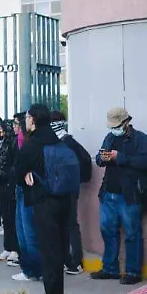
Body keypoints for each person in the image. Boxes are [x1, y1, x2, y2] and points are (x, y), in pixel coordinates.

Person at [18, 104, 80, 294]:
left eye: (27, 117)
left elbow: (17, 170)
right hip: (65, 199)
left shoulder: (32, 143)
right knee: (60, 247)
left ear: (33, 119)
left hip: (44, 202)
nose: (25, 121)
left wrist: (24, 173)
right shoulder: (57, 139)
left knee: (48, 250)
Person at [95, 107, 147, 285]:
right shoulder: (110, 137)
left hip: (129, 195)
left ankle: (133, 272)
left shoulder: (141, 139)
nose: (114, 129)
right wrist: (102, 158)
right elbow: (99, 159)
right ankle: (109, 269)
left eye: (117, 125)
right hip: (109, 193)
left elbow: (146, 161)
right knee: (108, 231)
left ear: (126, 122)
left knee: (132, 234)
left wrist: (120, 157)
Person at [52, 111, 91, 275]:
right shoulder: (60, 141)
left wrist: (75, 180)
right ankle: (66, 259)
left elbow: (84, 160)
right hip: (61, 187)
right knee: (62, 224)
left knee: (70, 224)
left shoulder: (67, 141)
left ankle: (76, 261)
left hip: (67, 189)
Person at [12, 112, 42, 280]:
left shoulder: (33, 141)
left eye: (18, 123)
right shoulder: (18, 140)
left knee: (29, 232)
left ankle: (34, 270)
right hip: (21, 188)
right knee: (22, 231)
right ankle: (29, 268)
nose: (15, 127)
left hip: (29, 190)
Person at [0, 117, 19, 263]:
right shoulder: (1, 143)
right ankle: (7, 247)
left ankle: (15, 249)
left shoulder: (14, 142)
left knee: (12, 217)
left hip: (10, 184)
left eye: (1, 129)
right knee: (5, 217)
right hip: (1, 183)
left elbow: (15, 162)